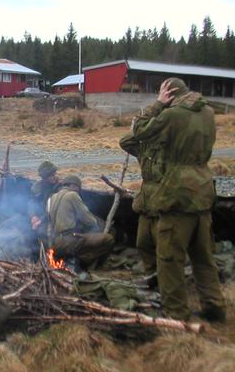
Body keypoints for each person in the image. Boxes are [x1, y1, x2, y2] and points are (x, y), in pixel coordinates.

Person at [132, 78, 225, 322]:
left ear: (169, 93)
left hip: (177, 193)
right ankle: (214, 305)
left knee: (169, 258)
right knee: (203, 256)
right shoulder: (208, 112)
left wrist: (157, 104)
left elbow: (139, 131)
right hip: (203, 189)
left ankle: (176, 314)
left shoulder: (173, 114)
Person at [119, 114, 162, 287]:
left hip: (163, 203)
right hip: (146, 204)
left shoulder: (170, 151)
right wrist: (143, 129)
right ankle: (152, 275)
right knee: (142, 243)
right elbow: (125, 142)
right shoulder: (144, 150)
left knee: (164, 246)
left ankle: (166, 278)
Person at [47, 175, 114, 274]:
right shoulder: (72, 195)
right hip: (69, 241)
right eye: (78, 188)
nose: (78, 190)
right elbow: (89, 220)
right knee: (108, 239)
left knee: (81, 239)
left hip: (54, 243)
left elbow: (50, 223)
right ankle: (83, 263)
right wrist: (96, 230)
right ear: (74, 186)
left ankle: (71, 260)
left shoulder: (51, 198)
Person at [28, 161, 61, 245]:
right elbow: (31, 203)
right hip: (41, 216)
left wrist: (40, 221)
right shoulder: (37, 187)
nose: (54, 177)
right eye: (51, 175)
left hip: (55, 218)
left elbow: (55, 209)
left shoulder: (60, 188)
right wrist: (33, 216)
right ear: (44, 178)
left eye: (54, 174)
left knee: (42, 232)